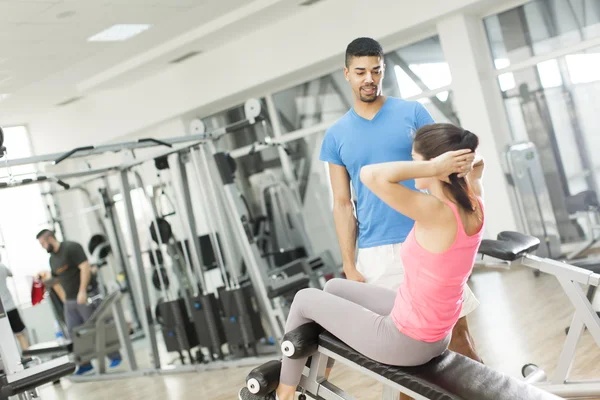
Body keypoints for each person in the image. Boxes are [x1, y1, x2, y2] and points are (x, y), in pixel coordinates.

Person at [238, 123, 485, 400]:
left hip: (408, 342)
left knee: (305, 298)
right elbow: (479, 164)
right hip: (435, 332)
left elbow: (370, 175)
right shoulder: (474, 202)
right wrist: (448, 164)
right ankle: (312, 379)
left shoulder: (435, 211)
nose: (412, 165)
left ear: (435, 165)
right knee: (335, 289)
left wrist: (433, 166)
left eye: (415, 160)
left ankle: (285, 394)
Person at [318, 37, 481, 363]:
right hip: (376, 252)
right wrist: (349, 264)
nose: (369, 79)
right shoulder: (335, 135)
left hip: (428, 238)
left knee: (460, 336)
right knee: (398, 357)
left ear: (383, 70)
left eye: (376, 71)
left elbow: (446, 166)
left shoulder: (412, 113)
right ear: (347, 73)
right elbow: (342, 203)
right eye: (361, 71)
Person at [36, 229, 121, 375]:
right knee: (74, 333)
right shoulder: (53, 259)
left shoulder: (71, 248)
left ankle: (114, 356)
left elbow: (85, 268)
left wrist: (82, 291)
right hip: (70, 300)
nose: (42, 247)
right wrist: (43, 282)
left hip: (85, 294)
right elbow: (57, 277)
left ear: (50, 239)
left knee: (97, 327)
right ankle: (85, 363)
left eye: (43, 243)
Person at [0, 254, 30, 351]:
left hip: (2, 311)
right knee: (20, 335)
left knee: (5, 340)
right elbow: (11, 274)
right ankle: (29, 359)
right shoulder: (2, 267)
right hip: (10, 307)